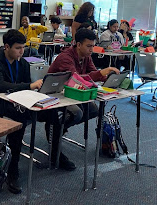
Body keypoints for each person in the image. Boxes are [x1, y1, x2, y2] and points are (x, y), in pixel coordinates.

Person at [0, 29, 58, 194]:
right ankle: (12, 169)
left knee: (50, 112)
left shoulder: (21, 62)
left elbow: (23, 82)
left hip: (16, 99)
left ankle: (57, 154)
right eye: (18, 48)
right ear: (6, 47)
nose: (22, 51)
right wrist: (28, 87)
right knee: (20, 119)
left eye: (23, 47)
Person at [48, 28, 119, 166]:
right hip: (57, 94)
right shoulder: (65, 57)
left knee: (94, 111)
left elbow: (92, 72)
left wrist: (108, 78)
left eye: (93, 46)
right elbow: (75, 78)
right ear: (78, 44)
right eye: (89, 46)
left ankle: (60, 127)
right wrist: (100, 73)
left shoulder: (86, 56)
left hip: (75, 92)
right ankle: (55, 137)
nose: (91, 49)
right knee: (77, 113)